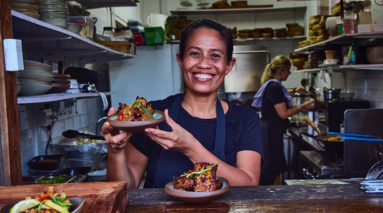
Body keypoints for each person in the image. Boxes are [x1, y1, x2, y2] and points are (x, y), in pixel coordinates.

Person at [101, 19, 263, 189]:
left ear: (229, 66)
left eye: (215, 56)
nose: (204, 64)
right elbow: (126, 187)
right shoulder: (150, 115)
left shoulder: (245, 118)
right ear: (180, 60)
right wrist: (115, 150)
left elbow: (250, 184)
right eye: (194, 53)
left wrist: (191, 148)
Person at [252, 55, 314, 185]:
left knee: (272, 165)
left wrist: (296, 90)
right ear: (280, 72)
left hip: (269, 130)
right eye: (288, 70)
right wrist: (303, 106)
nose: (290, 73)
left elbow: (280, 95)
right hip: (271, 132)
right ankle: (264, 196)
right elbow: (284, 114)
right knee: (270, 167)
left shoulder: (273, 85)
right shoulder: (275, 87)